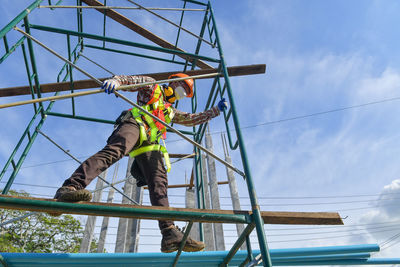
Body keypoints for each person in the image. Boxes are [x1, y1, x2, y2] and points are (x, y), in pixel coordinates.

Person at [52, 73, 228, 253]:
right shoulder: (153, 86)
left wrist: (215, 111)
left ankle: (169, 233)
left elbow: (191, 119)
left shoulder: (170, 111)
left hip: (149, 142)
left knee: (159, 181)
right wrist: (116, 82)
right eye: (182, 90)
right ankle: (70, 188)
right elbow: (132, 81)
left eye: (184, 95)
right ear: (173, 82)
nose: (180, 95)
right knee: (114, 152)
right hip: (135, 124)